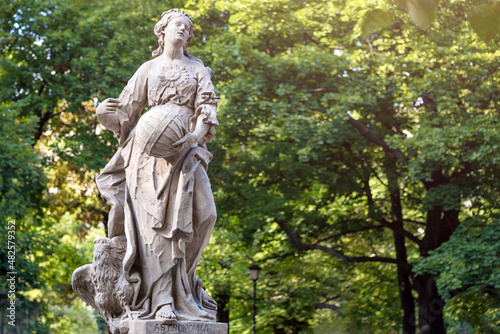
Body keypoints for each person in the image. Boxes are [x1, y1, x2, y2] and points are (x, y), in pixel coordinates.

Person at [95, 8, 219, 322]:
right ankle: (163, 299)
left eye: (188, 28)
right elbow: (125, 112)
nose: (184, 30)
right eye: (179, 25)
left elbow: (207, 109)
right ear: (162, 31)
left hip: (187, 147)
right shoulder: (148, 68)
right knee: (155, 228)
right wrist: (102, 114)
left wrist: (194, 136)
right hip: (146, 151)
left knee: (205, 215)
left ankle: (184, 290)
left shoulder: (197, 69)